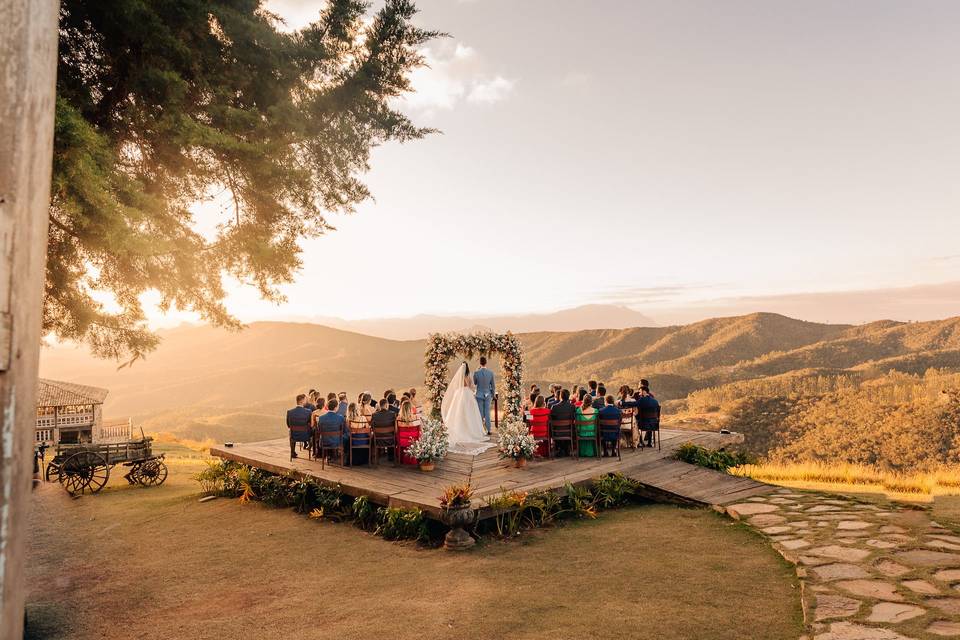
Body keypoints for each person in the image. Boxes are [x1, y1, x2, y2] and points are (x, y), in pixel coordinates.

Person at [442, 361, 493, 454]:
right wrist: (472, 388)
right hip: (467, 394)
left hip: (459, 394)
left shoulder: (460, 376)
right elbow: (472, 386)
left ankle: (459, 429)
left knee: (458, 412)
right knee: (470, 413)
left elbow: (457, 386)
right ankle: (472, 430)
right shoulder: (468, 376)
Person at [317, 398, 349, 463]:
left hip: (324, 441)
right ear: (335, 408)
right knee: (347, 435)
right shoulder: (340, 417)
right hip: (337, 441)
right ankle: (345, 456)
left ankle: (330, 456)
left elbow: (319, 430)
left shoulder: (321, 418)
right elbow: (344, 430)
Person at [549, 388, 576, 456]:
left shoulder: (554, 407)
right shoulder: (572, 407)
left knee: (553, 426)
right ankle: (566, 449)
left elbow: (551, 420)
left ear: (560, 396)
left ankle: (560, 449)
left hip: (557, 432)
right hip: (569, 432)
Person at [286, 394, 313, 458]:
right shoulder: (308, 411)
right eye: (305, 399)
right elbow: (311, 424)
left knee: (291, 432)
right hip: (305, 436)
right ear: (302, 401)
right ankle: (313, 450)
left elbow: (288, 425)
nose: (306, 401)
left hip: (294, 435)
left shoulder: (290, 412)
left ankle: (292, 452)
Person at [473, 355, 495, 435]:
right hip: (488, 395)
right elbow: (493, 386)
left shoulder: (476, 372)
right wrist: (493, 395)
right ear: (486, 363)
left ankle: (480, 430)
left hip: (479, 394)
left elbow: (475, 383)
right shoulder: (491, 373)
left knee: (480, 413)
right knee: (487, 412)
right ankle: (489, 430)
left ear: (480, 363)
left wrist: (476, 373)